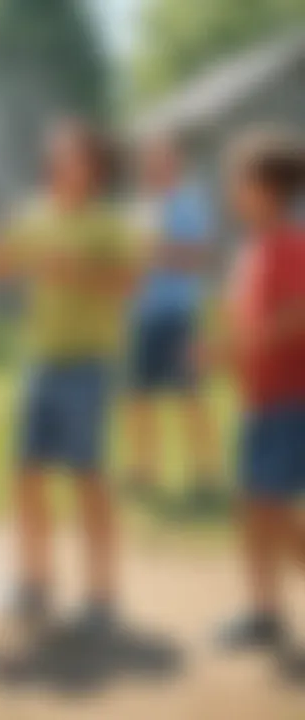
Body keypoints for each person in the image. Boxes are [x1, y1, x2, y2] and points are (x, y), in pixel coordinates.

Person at [0, 120, 139, 629]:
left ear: (95, 169)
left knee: (88, 477)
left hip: (88, 361)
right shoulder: (32, 213)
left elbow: (126, 283)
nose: (60, 164)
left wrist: (71, 269)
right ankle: (35, 582)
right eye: (57, 156)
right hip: (39, 359)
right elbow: (7, 266)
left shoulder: (110, 222)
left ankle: (102, 596)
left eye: (71, 156)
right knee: (26, 473)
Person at [210, 129, 305, 652]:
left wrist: (237, 346)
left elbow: (298, 314)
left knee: (270, 505)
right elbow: (248, 315)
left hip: (289, 400)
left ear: (267, 189)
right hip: (259, 398)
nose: (232, 188)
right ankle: (264, 612)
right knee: (254, 506)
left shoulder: (290, 243)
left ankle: (265, 610)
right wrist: (226, 349)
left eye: (240, 180)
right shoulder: (255, 247)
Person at [124, 136, 221, 508]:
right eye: (148, 162)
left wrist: (154, 249)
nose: (153, 169)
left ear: (175, 165)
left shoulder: (187, 204)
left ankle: (207, 472)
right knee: (138, 397)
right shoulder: (139, 207)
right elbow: (132, 258)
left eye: (161, 162)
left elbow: (196, 256)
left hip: (178, 314)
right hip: (142, 315)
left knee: (190, 396)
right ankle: (143, 470)